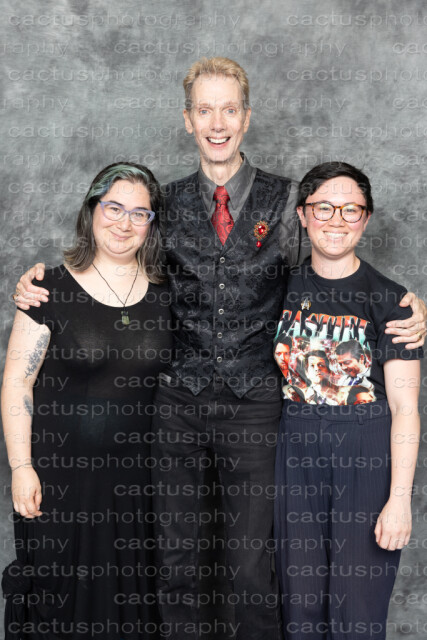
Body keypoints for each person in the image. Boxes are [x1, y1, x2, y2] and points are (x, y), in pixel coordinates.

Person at [11, 58, 427, 640]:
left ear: (246, 117)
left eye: (229, 109)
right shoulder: (164, 202)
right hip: (176, 406)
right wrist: (45, 281)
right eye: (204, 110)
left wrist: (405, 303)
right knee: (176, 561)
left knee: (252, 566)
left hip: (256, 405)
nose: (217, 123)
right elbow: (115, 255)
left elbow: (333, 264)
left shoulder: (288, 203)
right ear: (188, 120)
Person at [2, 163, 173, 639]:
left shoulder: (169, 294)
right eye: (114, 208)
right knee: (60, 603)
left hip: (139, 487)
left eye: (140, 214)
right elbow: (17, 382)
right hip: (60, 482)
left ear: (152, 224)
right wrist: (21, 467)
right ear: (92, 210)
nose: (124, 223)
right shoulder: (47, 289)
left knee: (132, 608)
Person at [273, 161, 423, 640]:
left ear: (366, 218)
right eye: (323, 208)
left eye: (351, 209)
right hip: (295, 453)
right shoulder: (277, 289)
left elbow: (405, 410)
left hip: (366, 456)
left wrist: (399, 499)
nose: (336, 220)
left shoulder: (392, 302)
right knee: (300, 610)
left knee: (356, 613)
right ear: (303, 215)